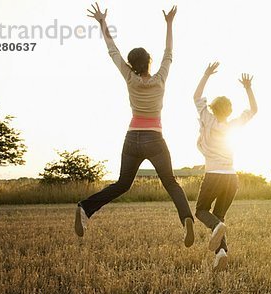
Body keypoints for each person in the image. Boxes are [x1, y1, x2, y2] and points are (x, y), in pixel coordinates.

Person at [75, 2, 195, 247]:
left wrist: (102, 23)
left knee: (122, 184)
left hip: (132, 138)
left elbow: (112, 50)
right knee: (171, 183)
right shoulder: (160, 78)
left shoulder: (129, 78)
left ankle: (85, 208)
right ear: (149, 62)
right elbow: (169, 51)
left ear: (131, 64)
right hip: (154, 139)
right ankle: (186, 220)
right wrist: (170, 24)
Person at [193, 62, 258, 269]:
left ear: (212, 109)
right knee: (219, 214)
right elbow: (254, 110)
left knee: (202, 210)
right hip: (231, 178)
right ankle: (221, 253)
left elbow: (196, 97)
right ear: (229, 111)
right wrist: (248, 88)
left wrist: (206, 75)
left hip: (214, 175)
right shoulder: (233, 125)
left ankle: (215, 226)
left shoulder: (207, 119)